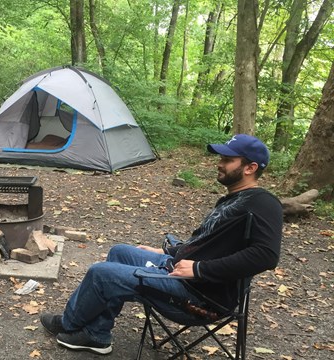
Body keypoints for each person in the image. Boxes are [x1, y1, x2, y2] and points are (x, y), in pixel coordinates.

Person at [40, 134, 283, 355]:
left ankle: (71, 324)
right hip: (177, 271)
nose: (219, 163)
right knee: (120, 252)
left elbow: (266, 256)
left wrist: (200, 270)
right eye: (221, 157)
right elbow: (205, 243)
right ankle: (97, 334)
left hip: (197, 297)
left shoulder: (264, 203)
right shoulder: (232, 199)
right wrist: (167, 251)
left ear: (250, 168)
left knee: (101, 274)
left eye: (228, 159)